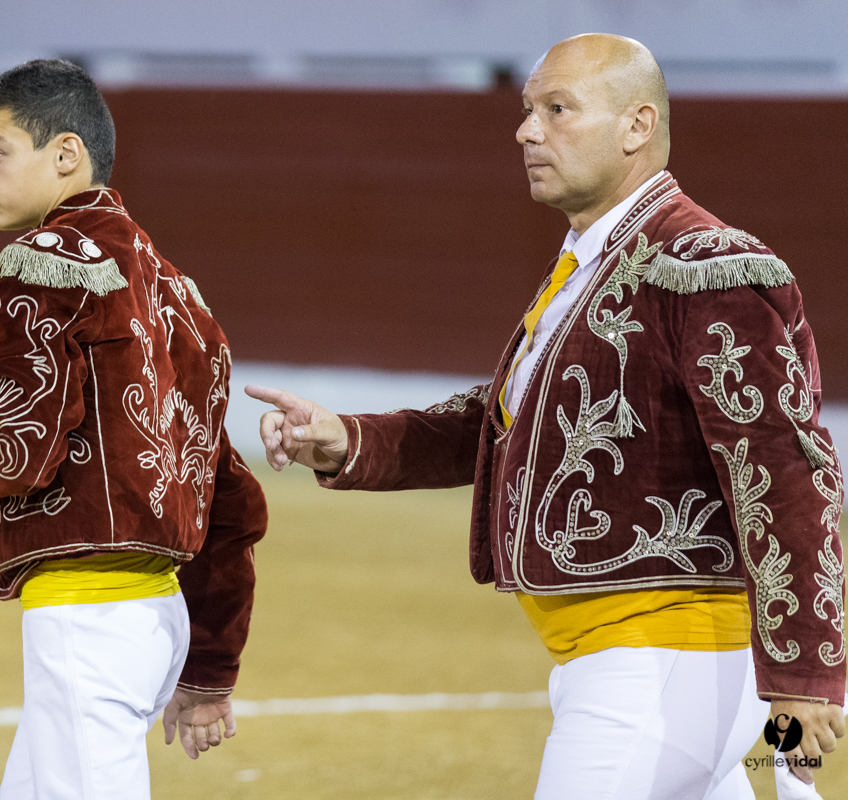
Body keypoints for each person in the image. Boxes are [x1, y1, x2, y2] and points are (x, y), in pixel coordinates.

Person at [248, 34, 844, 799]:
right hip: (623, 661)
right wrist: (348, 441)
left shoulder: (701, 268)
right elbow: (505, 427)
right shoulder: (595, 263)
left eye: (558, 109)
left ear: (635, 126)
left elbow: (786, 470)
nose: (527, 131)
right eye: (529, 110)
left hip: (666, 661)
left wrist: (804, 671)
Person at [0, 59, 268, 799]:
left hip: (88, 614)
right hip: (158, 617)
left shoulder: (42, 261)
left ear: (65, 155)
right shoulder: (179, 290)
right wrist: (207, 664)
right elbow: (227, 498)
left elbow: (16, 454)